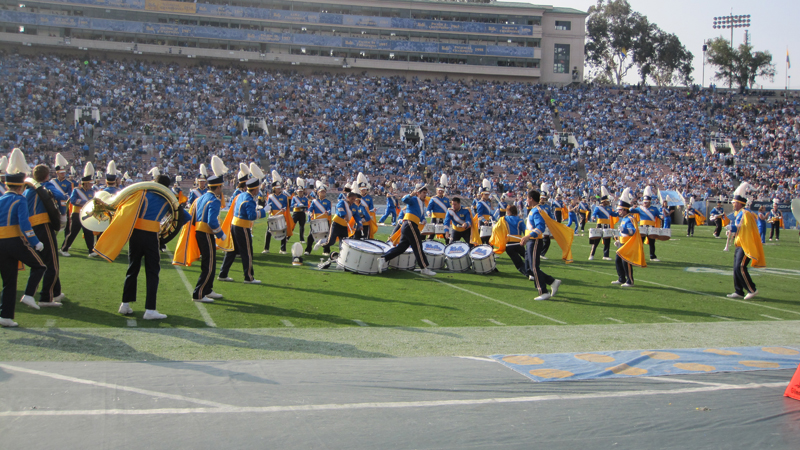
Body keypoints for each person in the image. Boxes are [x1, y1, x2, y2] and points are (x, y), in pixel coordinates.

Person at [96, 175, 190, 319]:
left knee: (132, 268)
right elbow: (185, 218)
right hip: (151, 235)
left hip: (135, 234)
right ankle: (150, 310)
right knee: (152, 272)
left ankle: (125, 304)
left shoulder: (140, 193)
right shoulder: (168, 199)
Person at [0, 150, 47, 326]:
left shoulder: (0, 199)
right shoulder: (19, 200)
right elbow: (25, 224)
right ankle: (28, 295)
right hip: (14, 241)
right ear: (20, 187)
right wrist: (36, 243)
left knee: (9, 281)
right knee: (40, 266)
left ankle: (5, 316)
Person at [25, 164, 68, 307]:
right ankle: (46, 298)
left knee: (44, 260)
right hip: (43, 225)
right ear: (47, 176)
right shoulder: (46, 185)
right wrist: (62, 215)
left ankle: (56, 292)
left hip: (30, 228)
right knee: (52, 262)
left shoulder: (27, 190)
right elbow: (61, 196)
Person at [219, 177, 267, 285]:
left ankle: (223, 273)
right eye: (258, 188)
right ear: (255, 190)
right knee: (247, 252)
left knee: (231, 251)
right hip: (242, 227)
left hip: (234, 224)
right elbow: (252, 216)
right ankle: (248, 277)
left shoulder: (241, 195)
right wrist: (264, 211)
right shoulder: (249, 199)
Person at [381, 183, 436, 276]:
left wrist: (423, 220)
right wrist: (411, 194)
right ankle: (424, 267)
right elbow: (404, 199)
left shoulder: (421, 204)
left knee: (402, 247)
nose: (425, 195)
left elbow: (421, 216)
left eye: (426, 193)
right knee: (418, 246)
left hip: (410, 225)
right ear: (418, 193)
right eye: (423, 192)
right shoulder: (414, 199)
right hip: (410, 224)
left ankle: (383, 258)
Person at [191, 172, 227, 301]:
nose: (221, 189)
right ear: (217, 187)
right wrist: (221, 234)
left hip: (200, 231)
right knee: (209, 264)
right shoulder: (214, 200)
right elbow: (212, 221)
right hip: (206, 232)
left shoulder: (201, 198)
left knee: (209, 262)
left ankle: (207, 289)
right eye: (221, 187)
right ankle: (198, 293)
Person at [520, 190, 561, 301]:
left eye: (527, 198)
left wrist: (528, 237)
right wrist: (526, 237)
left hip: (535, 241)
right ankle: (552, 281)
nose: (526, 200)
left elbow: (540, 227)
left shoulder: (537, 211)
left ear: (531, 199)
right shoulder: (533, 210)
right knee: (528, 268)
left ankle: (543, 291)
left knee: (534, 267)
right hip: (530, 240)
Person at [726, 183, 765, 300]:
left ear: (739, 203)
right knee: (735, 268)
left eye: (734, 202)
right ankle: (739, 291)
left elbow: (745, 228)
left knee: (741, 267)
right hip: (739, 243)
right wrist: (731, 231)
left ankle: (752, 289)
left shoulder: (746, 213)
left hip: (745, 244)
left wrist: (732, 228)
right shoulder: (739, 213)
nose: (733, 204)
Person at [61, 162, 96, 256]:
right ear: (85, 183)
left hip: (87, 214)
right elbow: (72, 200)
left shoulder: (92, 192)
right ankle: (64, 249)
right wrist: (84, 202)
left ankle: (91, 251)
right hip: (76, 214)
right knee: (73, 233)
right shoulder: (77, 190)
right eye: (90, 183)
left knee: (89, 232)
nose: (91, 185)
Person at [612, 189, 645, 287]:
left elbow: (632, 231)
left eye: (620, 209)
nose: (618, 211)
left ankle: (630, 281)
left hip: (627, 244)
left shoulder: (630, 218)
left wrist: (624, 230)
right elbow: (622, 232)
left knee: (626, 263)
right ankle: (621, 278)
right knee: (618, 260)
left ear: (625, 209)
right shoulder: (624, 219)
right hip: (622, 243)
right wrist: (618, 240)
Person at [630, 187, 663, 262]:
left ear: (649, 202)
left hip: (651, 227)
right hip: (642, 227)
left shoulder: (654, 209)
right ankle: (638, 255)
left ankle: (652, 256)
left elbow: (659, 215)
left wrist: (662, 216)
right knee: (640, 242)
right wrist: (633, 207)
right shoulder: (640, 208)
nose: (644, 203)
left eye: (646, 202)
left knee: (652, 242)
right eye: (644, 202)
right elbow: (630, 211)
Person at [263, 171, 291, 254]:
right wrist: (269, 210)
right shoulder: (271, 197)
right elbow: (269, 205)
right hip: (272, 216)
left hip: (281, 216)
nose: (279, 189)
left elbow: (285, 206)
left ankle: (283, 249)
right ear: (274, 188)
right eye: (277, 188)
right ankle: (266, 248)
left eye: (280, 188)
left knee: (282, 231)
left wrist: (284, 209)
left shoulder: (284, 197)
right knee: (269, 232)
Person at [589, 188, 617, 261]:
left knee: (607, 241)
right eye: (607, 201)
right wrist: (593, 217)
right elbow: (594, 214)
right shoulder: (598, 208)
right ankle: (592, 254)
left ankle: (606, 255)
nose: (608, 202)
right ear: (603, 202)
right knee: (596, 241)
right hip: (600, 225)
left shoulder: (609, 208)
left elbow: (613, 214)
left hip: (607, 225)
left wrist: (619, 213)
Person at [305, 182, 332, 255]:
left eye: (324, 192)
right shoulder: (314, 201)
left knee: (326, 236)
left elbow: (329, 210)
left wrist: (328, 212)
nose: (322, 193)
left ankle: (326, 251)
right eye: (321, 192)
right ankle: (307, 250)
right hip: (316, 221)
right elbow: (310, 209)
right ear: (318, 193)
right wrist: (310, 213)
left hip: (324, 221)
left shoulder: (328, 202)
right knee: (311, 236)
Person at [503, 205, 527, 275]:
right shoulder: (520, 220)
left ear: (508, 212)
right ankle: (534, 270)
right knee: (527, 258)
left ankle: (528, 273)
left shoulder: (503, 219)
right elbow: (525, 231)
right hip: (519, 243)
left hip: (509, 244)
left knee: (518, 262)